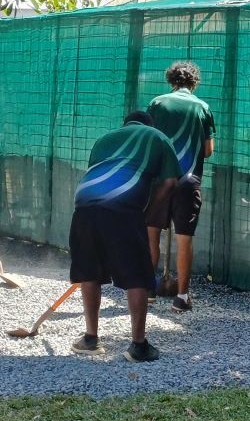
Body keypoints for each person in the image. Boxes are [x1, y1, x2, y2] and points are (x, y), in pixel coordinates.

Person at [70, 111, 179, 362]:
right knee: (138, 275)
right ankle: (139, 346)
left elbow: (98, 173)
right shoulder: (158, 137)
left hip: (84, 206)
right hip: (123, 208)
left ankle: (90, 339)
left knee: (91, 271)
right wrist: (149, 214)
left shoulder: (104, 139)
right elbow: (170, 182)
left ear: (126, 125)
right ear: (148, 124)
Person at [145, 61, 216, 313]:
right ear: (194, 82)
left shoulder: (157, 103)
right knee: (184, 238)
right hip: (188, 181)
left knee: (151, 233)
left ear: (170, 81)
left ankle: (148, 291)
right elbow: (207, 151)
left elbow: (149, 142)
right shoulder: (203, 107)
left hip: (159, 181)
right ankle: (182, 297)